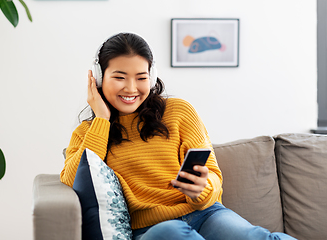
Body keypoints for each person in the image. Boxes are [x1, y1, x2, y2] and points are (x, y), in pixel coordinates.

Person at [60, 32, 296, 240]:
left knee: (254, 236)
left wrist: (200, 189)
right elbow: (73, 180)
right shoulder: (88, 133)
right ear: (99, 78)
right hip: (151, 230)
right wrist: (101, 119)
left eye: (141, 78)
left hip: (205, 215)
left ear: (151, 78)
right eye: (120, 77)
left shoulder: (178, 110)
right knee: (170, 232)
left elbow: (213, 175)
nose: (131, 88)